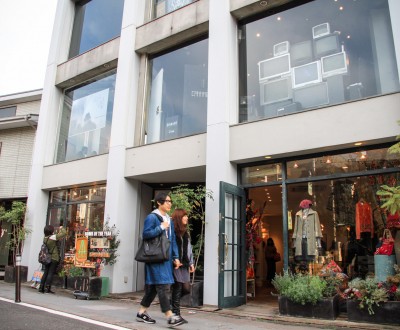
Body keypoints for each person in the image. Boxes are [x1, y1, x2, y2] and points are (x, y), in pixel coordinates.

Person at [136, 192, 184, 327]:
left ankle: (141, 312)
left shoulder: (169, 219)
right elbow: (145, 234)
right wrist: (161, 227)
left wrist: (175, 257)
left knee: (153, 288)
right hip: (155, 257)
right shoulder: (152, 217)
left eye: (170, 201)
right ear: (159, 202)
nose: (170, 203)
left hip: (166, 258)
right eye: (167, 201)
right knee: (163, 285)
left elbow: (172, 240)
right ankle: (170, 316)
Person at [170, 208, 195, 323]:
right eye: (184, 216)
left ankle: (171, 304)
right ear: (179, 218)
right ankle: (176, 314)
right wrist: (173, 260)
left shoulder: (185, 232)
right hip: (175, 264)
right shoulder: (172, 231)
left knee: (186, 289)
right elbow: (168, 248)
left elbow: (189, 249)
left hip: (184, 264)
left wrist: (191, 263)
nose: (187, 218)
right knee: (178, 287)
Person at [38, 225, 66, 294]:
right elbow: (64, 233)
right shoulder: (53, 237)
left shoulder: (45, 238)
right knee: (50, 273)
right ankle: (47, 288)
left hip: (47, 258)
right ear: (51, 231)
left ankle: (41, 288)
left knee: (46, 272)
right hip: (54, 257)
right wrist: (61, 228)